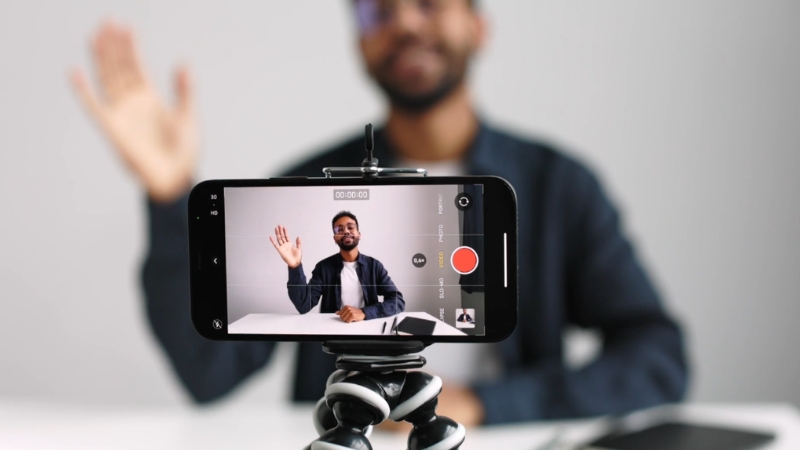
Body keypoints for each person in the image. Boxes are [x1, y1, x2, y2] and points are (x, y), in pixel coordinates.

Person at [70, 0, 688, 427]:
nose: (404, 24)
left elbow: (658, 359)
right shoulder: (306, 191)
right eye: (377, 10)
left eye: (429, 3)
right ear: (359, 39)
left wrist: (486, 405)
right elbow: (207, 371)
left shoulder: (558, 187)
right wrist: (170, 193)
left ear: (479, 25)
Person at [269, 212, 405, 322]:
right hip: (332, 335)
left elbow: (397, 301)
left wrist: (364, 313)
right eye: (340, 229)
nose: (346, 231)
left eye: (350, 227)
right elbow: (303, 305)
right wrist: (295, 266)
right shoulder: (324, 268)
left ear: (359, 234)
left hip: (367, 331)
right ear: (335, 237)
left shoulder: (374, 266)